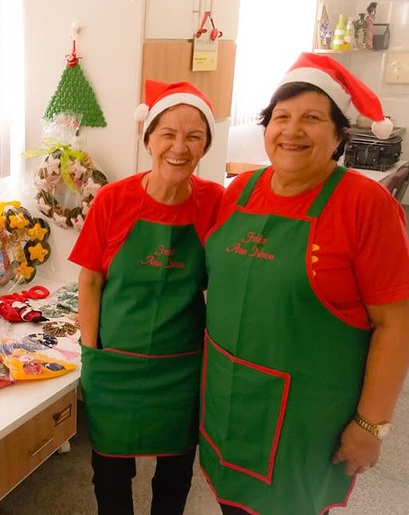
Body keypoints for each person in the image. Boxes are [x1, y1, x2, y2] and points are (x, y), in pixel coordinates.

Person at [200, 52, 409, 515]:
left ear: (338, 135)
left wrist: (371, 425)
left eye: (312, 118)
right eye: (281, 117)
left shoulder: (365, 206)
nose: (292, 131)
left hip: (308, 418)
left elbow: (396, 325)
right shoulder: (239, 192)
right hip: (228, 400)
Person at [69, 80, 224, 515]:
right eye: (168, 134)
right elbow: (90, 282)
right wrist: (91, 350)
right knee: (111, 475)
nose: (179, 147)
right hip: (116, 362)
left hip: (182, 367)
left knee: (175, 475)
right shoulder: (113, 200)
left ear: (205, 145)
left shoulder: (216, 202)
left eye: (194, 136)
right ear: (148, 139)